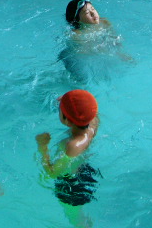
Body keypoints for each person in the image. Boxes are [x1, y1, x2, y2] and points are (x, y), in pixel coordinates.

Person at [36, 89, 100, 219]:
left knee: (75, 218)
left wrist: (43, 147)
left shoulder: (73, 145)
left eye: (60, 110)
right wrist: (70, 102)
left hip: (71, 187)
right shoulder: (93, 123)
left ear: (68, 121)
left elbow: (52, 173)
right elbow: (87, 107)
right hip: (84, 170)